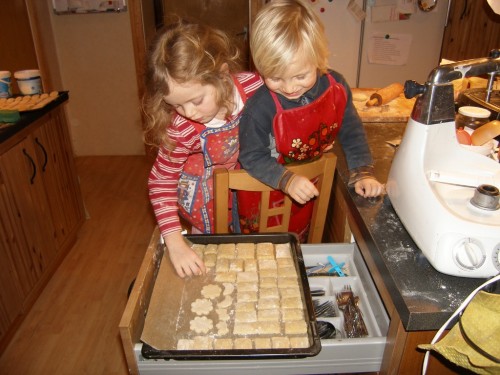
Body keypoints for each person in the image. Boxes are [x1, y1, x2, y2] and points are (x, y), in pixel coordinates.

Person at [238, 0, 384, 240]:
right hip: (266, 194)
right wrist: (285, 179)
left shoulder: (335, 88)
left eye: (300, 76)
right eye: (275, 78)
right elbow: (251, 157)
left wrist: (362, 172)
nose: (289, 87)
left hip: (308, 184)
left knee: (299, 241)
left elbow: (351, 129)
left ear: (318, 58)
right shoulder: (259, 108)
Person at [143, 21, 263, 278]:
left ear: (222, 75)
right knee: (213, 266)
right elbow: (161, 182)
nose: (189, 113)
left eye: (196, 100)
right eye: (176, 105)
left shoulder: (255, 87)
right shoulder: (181, 128)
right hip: (206, 204)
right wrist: (175, 245)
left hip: (248, 190)